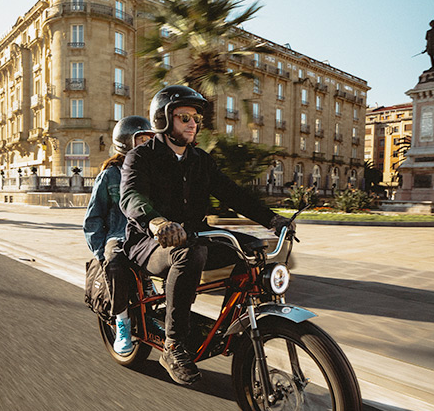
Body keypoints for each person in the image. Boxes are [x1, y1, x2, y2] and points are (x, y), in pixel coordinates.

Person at [120, 85, 292, 385]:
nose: (193, 123)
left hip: (195, 233)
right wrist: (158, 223)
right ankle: (174, 344)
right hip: (149, 241)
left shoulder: (200, 160)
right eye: (184, 117)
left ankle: (239, 326)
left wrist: (273, 220)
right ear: (163, 119)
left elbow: (233, 194)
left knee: (250, 253)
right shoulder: (140, 157)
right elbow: (131, 195)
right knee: (190, 252)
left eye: (195, 117)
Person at [83, 115, 155, 355]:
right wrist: (100, 252)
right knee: (115, 262)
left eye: (149, 139)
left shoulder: (153, 173)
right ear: (126, 143)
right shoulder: (110, 175)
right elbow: (93, 218)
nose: (147, 144)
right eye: (141, 139)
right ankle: (121, 320)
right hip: (119, 236)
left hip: (147, 236)